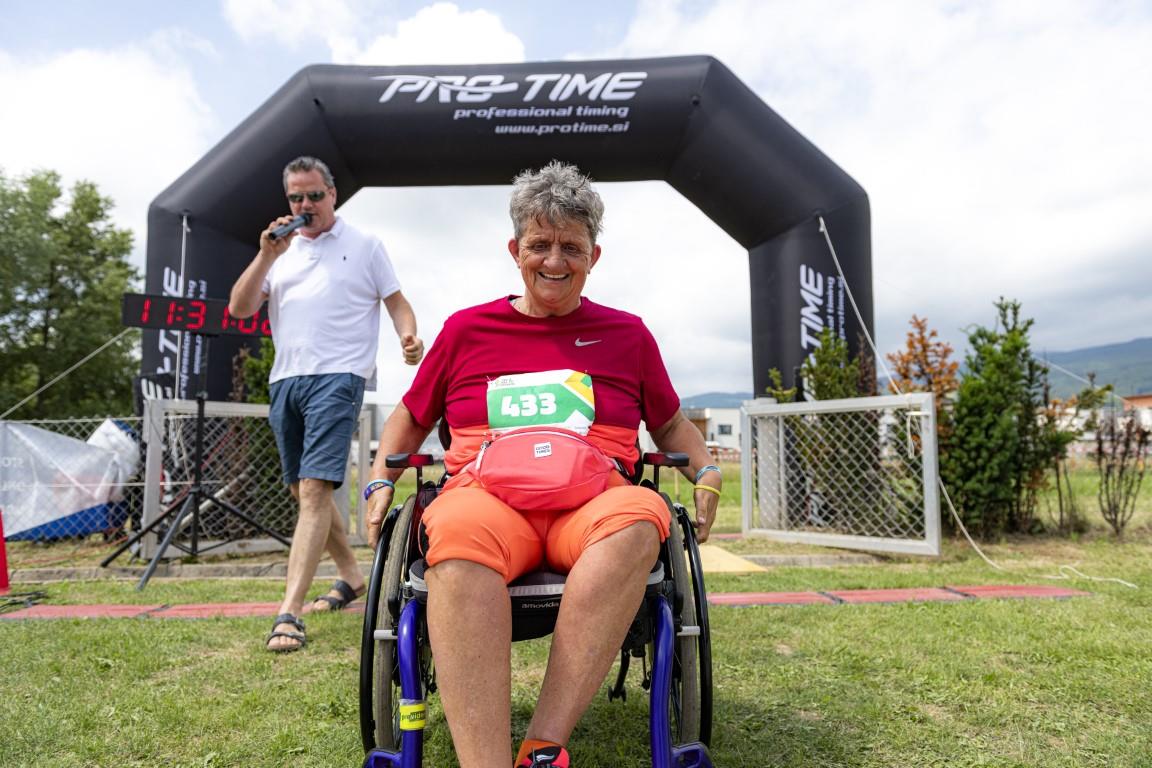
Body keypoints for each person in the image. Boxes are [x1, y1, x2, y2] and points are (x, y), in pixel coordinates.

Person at [364, 160, 720, 768]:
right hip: (487, 500)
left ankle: (543, 747)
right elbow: (409, 417)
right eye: (540, 245)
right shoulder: (466, 330)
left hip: (594, 502)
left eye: (571, 247)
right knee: (453, 532)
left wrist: (706, 471)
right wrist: (380, 478)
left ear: (593, 256)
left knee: (640, 518)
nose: (555, 260)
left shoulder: (628, 335)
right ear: (515, 250)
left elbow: (669, 424)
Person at [229, 155, 424, 653]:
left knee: (315, 490)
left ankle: (288, 612)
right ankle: (352, 576)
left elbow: (397, 301)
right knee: (303, 491)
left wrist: (408, 336)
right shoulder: (279, 251)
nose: (305, 205)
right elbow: (240, 308)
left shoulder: (364, 244)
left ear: (332, 193)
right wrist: (265, 256)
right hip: (285, 379)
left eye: (314, 195)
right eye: (296, 197)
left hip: (339, 375)